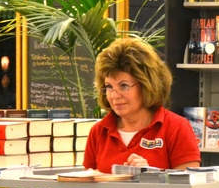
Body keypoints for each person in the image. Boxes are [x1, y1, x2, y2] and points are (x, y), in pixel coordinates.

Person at [83, 37, 201, 173]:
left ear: (147, 85)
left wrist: (150, 174)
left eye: (124, 86)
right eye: (109, 87)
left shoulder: (176, 128)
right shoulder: (99, 132)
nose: (114, 95)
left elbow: (189, 183)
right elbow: (86, 183)